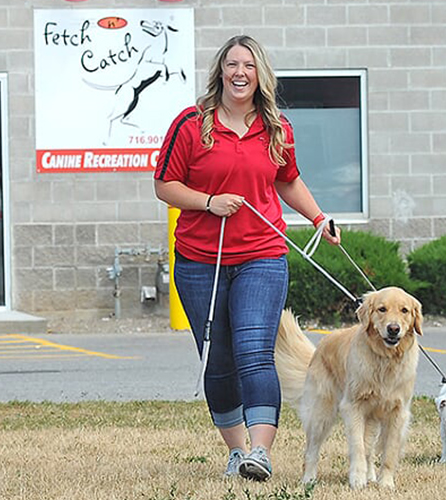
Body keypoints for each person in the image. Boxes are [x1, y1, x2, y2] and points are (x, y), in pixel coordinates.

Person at [153, 35, 340, 482]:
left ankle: (261, 451)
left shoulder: (276, 127)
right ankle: (237, 452)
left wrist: (318, 218)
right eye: (232, 64)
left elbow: (288, 180)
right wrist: (207, 201)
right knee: (217, 359)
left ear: (260, 76)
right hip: (201, 260)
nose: (240, 73)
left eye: (249, 66)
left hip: (263, 253)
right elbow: (165, 185)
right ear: (220, 72)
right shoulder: (191, 125)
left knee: (255, 352)